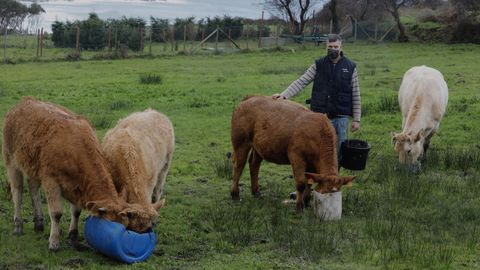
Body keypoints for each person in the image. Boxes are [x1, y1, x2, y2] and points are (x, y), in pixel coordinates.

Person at [272, 34, 361, 199]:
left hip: (340, 118)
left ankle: (332, 185)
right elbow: (302, 81)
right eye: (330, 46)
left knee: (336, 155)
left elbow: (356, 94)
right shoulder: (318, 64)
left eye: (336, 46)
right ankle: (307, 188)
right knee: (311, 154)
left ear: (341, 47)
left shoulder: (350, 67)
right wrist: (284, 95)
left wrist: (356, 119)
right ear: (326, 46)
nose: (332, 49)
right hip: (318, 118)